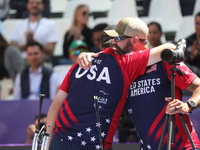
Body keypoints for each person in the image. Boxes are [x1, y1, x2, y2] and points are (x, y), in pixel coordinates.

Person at [46, 17, 176, 150]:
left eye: (118, 38)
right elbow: (170, 47)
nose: (115, 41)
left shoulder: (78, 66)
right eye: (115, 38)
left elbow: (54, 107)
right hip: (93, 145)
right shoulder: (126, 62)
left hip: (59, 141)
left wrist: (47, 144)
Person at [80, 25, 200, 150]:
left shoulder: (164, 61)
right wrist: (86, 56)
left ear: (133, 40)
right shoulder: (119, 72)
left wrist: (188, 105)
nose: (113, 44)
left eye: (117, 39)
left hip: (182, 146)